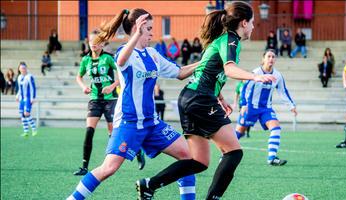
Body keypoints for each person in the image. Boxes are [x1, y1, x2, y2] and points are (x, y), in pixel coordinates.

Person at [138, 2, 275, 200]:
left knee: (199, 162)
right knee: (234, 153)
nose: (253, 27)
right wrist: (255, 76)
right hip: (200, 99)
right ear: (244, 23)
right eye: (252, 22)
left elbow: (208, 71)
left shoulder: (221, 40)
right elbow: (228, 69)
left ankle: (149, 185)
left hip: (190, 98)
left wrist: (220, 97)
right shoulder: (231, 40)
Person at [67, 8, 200, 200]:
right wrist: (137, 33)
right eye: (148, 29)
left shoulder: (153, 54)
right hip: (128, 123)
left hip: (152, 124)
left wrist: (205, 61)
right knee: (108, 168)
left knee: (190, 158)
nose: (152, 33)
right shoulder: (124, 52)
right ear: (137, 29)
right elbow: (120, 61)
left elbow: (179, 72)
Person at [73, 29, 125, 176]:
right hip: (95, 99)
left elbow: (122, 73)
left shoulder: (108, 58)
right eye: (91, 42)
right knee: (89, 131)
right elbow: (79, 77)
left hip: (110, 100)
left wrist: (112, 86)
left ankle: (131, 155)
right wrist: (84, 87)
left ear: (102, 44)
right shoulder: (86, 60)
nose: (93, 44)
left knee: (113, 132)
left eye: (96, 42)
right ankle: (84, 166)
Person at [236, 49, 297, 165]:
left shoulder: (277, 75)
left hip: (266, 109)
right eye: (268, 56)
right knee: (239, 132)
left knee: (276, 128)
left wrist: (291, 106)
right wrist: (244, 104)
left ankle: (272, 158)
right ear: (263, 59)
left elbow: (283, 91)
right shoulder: (256, 72)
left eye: (273, 57)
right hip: (251, 108)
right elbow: (245, 89)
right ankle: (225, 155)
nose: (271, 59)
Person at [16, 62, 37, 137]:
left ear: (26, 68)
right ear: (19, 69)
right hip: (22, 99)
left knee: (26, 113)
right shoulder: (19, 77)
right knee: (22, 114)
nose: (23, 69)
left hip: (28, 98)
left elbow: (33, 88)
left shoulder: (29, 76)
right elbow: (19, 88)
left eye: (24, 68)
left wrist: (33, 98)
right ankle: (26, 132)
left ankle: (34, 129)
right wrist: (17, 95)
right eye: (21, 68)